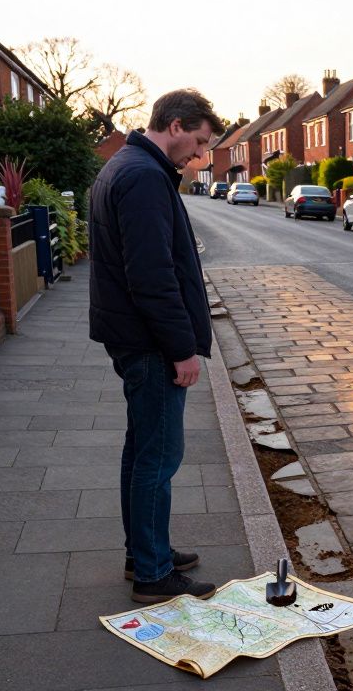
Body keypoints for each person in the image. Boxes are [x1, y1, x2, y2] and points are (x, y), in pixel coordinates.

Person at [88, 89, 225, 603]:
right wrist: (182, 349)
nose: (199, 154)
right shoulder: (144, 178)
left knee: (141, 449)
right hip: (150, 343)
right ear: (173, 124)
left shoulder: (127, 166)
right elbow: (152, 277)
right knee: (159, 456)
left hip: (132, 335)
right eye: (198, 141)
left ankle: (144, 551)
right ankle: (152, 573)